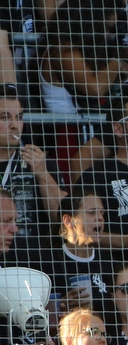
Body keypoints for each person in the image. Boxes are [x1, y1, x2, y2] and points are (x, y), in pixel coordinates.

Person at [77, 96, 128, 256]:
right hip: (118, 271)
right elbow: (77, 230)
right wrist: (124, 241)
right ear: (118, 129)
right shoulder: (96, 175)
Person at [0, 87, 64, 258]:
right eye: (5, 117)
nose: (15, 125)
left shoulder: (41, 163)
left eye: (19, 117)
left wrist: (42, 174)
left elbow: (64, 217)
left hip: (31, 263)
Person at [41, 185, 111, 312]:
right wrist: (60, 305)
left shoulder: (107, 262)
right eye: (92, 212)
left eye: (102, 213)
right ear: (68, 221)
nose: (100, 217)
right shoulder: (47, 261)